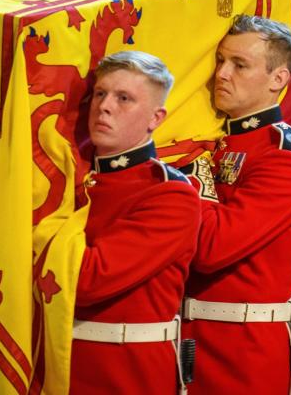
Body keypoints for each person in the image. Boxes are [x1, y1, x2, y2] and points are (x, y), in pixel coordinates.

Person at [182, 15, 291, 395]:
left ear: (278, 79)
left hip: (241, 348)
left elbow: (211, 249)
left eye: (239, 65)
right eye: (221, 61)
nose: (222, 74)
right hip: (189, 337)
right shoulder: (215, 138)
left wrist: (194, 175)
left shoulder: (285, 158)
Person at [71, 51, 199, 394]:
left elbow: (88, 280)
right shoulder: (68, 178)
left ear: (155, 118)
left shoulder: (170, 194)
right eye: (100, 93)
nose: (105, 106)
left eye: (123, 98)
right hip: (55, 366)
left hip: (124, 372)